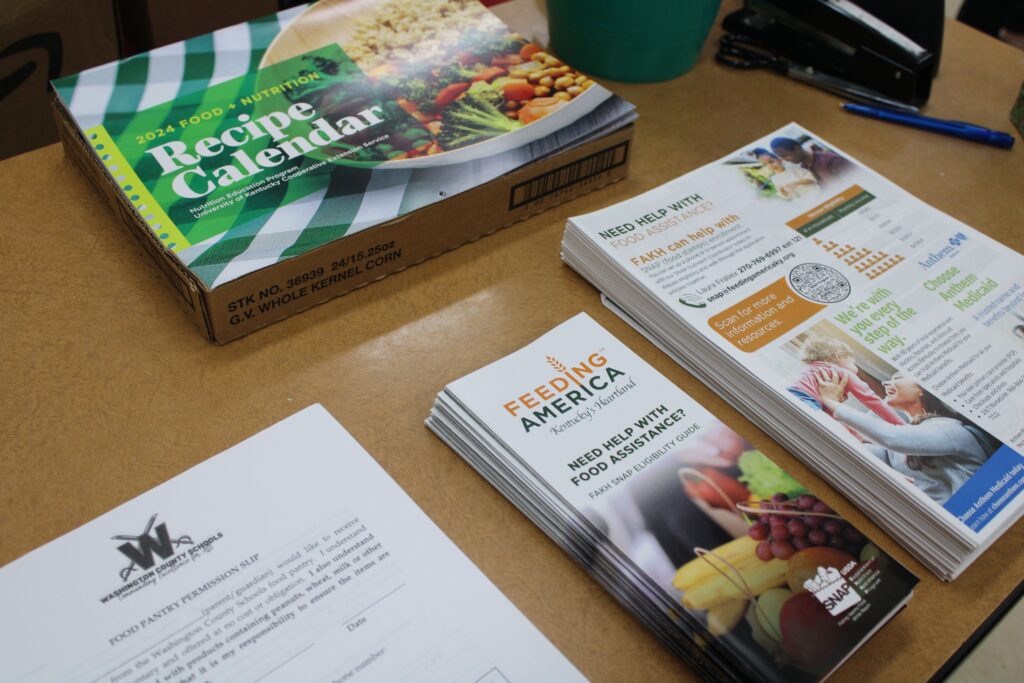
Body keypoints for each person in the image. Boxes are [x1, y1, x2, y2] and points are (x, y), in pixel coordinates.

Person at [815, 368, 995, 504]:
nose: (886, 383)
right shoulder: (901, 443)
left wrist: (832, 403)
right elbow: (861, 452)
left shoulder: (950, 428)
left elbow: (892, 437)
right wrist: (830, 411)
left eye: (899, 377)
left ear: (922, 389)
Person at [787, 336, 905, 439]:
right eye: (852, 362)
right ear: (837, 357)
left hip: (790, 397)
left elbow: (833, 415)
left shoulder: (810, 371)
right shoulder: (841, 372)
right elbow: (872, 400)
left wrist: (859, 438)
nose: (855, 367)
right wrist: (901, 426)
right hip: (805, 401)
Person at [770, 137, 852, 186]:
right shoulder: (803, 168)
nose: (784, 160)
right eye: (781, 157)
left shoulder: (832, 161)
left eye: (784, 155)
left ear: (797, 149)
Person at [751, 147, 817, 199]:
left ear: (779, 159)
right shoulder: (774, 178)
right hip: (801, 200)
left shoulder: (793, 167)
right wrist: (782, 191)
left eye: (771, 162)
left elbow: (812, 179)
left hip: (813, 194)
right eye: (765, 164)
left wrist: (797, 183)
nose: (770, 166)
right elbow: (786, 196)